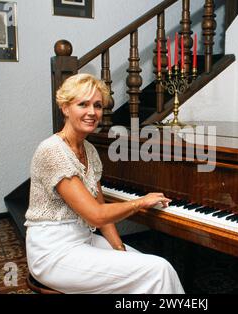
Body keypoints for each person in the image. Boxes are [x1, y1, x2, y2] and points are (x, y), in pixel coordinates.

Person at [24, 73, 185, 294]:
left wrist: (118, 248)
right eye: (83, 104)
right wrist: (140, 203)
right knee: (159, 269)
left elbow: (103, 214)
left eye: (98, 105)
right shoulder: (52, 151)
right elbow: (96, 215)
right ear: (65, 108)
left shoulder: (89, 150)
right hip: (52, 251)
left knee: (145, 264)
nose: (92, 112)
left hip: (83, 239)